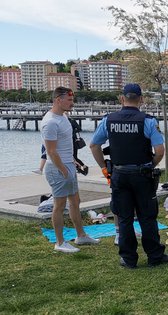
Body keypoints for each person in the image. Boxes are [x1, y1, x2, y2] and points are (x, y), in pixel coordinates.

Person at [89, 83, 168, 268]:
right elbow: (159, 151)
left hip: (119, 174)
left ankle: (128, 258)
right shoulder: (148, 121)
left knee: (124, 217)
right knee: (147, 216)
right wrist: (151, 165)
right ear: (141, 99)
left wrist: (104, 167)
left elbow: (94, 145)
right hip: (143, 174)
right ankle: (154, 256)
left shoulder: (109, 120)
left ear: (121, 98)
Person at [41, 87, 99, 253]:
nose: (72, 103)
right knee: (59, 205)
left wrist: (73, 163)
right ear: (58, 100)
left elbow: (65, 146)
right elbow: (51, 151)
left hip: (69, 165)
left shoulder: (63, 117)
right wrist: (63, 170)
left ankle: (81, 235)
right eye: (69, 100)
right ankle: (60, 242)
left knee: (75, 202)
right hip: (57, 169)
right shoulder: (50, 122)